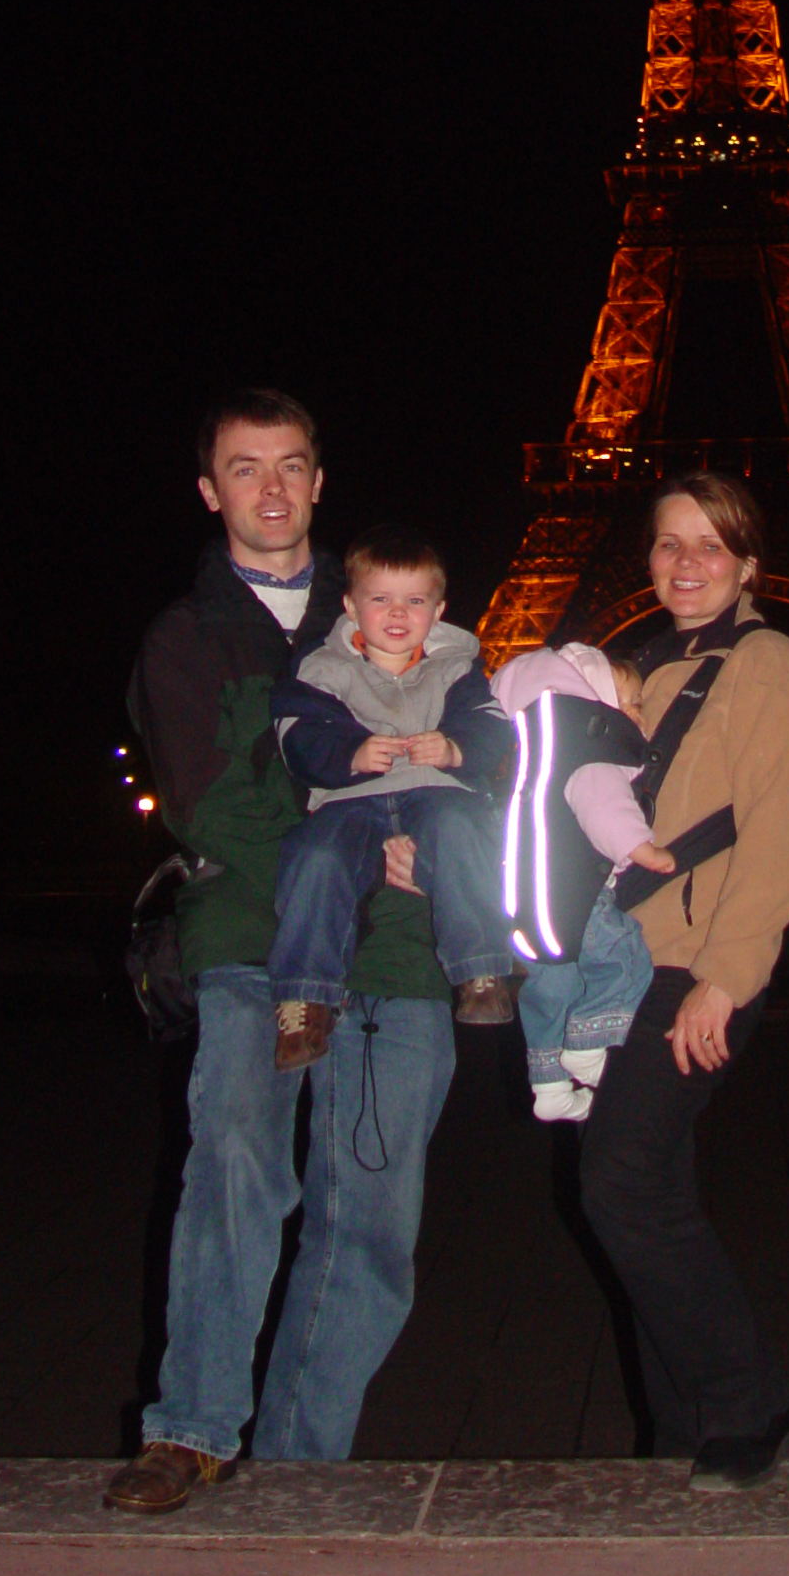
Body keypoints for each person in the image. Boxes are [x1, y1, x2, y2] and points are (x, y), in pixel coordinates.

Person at [103, 394, 456, 1515]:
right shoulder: (184, 637)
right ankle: (194, 1428)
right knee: (235, 1178)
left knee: (374, 1221)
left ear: (318, 481)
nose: (270, 487)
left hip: (400, 956)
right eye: (243, 468)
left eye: (290, 466)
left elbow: (481, 752)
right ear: (211, 491)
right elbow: (213, 810)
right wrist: (369, 840)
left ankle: (304, 1457)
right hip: (253, 945)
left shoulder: (397, 617)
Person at [577, 471, 789, 1493]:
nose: (685, 562)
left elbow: (777, 830)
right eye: (669, 544)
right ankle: (683, 1421)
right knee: (652, 1185)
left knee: (620, 1181)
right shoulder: (641, 667)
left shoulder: (766, 661)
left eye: (709, 545)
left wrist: (726, 979)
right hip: (628, 959)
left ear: (747, 563)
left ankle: (749, 1403)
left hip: (694, 966)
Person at [267, 527, 518, 1071]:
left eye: (415, 601)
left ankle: (481, 967)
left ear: (439, 610)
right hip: (349, 800)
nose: (397, 613)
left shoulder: (459, 668)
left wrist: (453, 748)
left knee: (460, 832)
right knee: (315, 856)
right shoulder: (320, 670)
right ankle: (304, 998)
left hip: (436, 792)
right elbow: (297, 735)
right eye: (380, 599)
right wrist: (351, 754)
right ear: (351, 608)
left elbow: (492, 729)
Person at [489, 643, 674, 1120]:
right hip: (581, 898)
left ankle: (548, 1086)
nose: (638, 711)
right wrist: (641, 849)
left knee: (552, 987)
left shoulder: (538, 750)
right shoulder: (592, 751)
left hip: (531, 899)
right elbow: (603, 805)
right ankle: (589, 1047)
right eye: (630, 700)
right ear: (594, 700)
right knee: (625, 954)